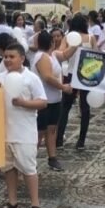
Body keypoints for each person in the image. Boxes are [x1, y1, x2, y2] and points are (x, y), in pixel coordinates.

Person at [0, 43, 47, 208]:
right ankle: (12, 202)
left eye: (11, 56)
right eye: (5, 57)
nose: (7, 60)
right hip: (4, 132)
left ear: (22, 58)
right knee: (8, 168)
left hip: (24, 133)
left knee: (29, 169)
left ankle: (35, 204)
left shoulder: (31, 78)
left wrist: (24, 103)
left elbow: (43, 102)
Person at [54, 14, 97, 150]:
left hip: (71, 74)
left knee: (65, 108)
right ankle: (81, 141)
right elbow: (97, 56)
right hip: (87, 74)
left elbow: (60, 53)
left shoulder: (67, 37)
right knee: (85, 108)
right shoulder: (91, 38)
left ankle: (59, 139)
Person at [32, 31, 72, 171]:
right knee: (39, 131)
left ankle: (52, 158)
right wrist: (63, 87)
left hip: (55, 99)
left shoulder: (53, 55)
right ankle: (31, 159)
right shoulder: (41, 57)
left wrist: (76, 43)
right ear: (50, 42)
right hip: (43, 100)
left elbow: (66, 54)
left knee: (52, 129)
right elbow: (47, 77)